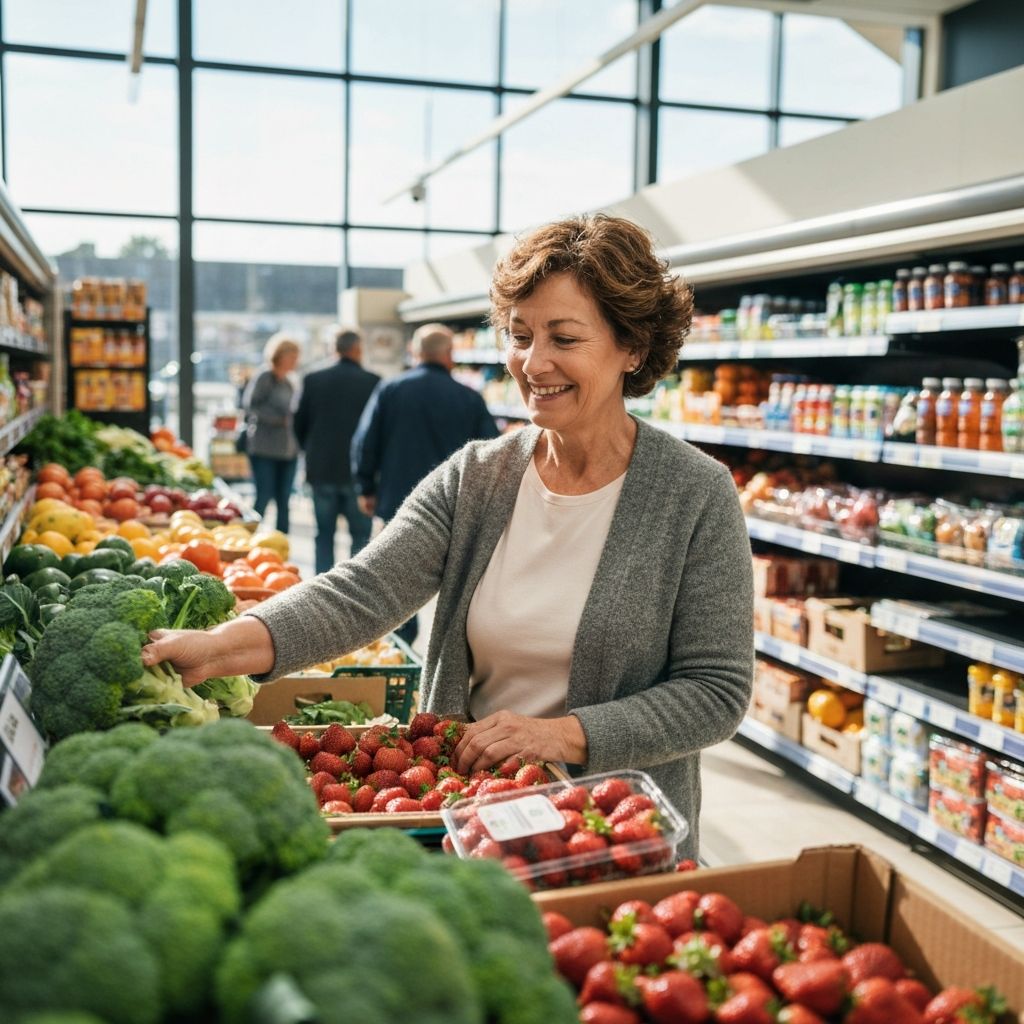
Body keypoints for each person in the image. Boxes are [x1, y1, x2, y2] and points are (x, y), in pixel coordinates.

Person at [143, 214, 754, 859]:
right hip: (469, 822)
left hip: (613, 838)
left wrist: (563, 735)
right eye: (520, 335)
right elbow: (361, 591)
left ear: (633, 348)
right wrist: (218, 647)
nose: (533, 362)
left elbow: (714, 689)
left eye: (565, 338)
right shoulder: (477, 478)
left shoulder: (695, 495)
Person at [351, 322, 499, 643]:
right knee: (456, 583)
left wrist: (366, 487)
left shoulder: (391, 390)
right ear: (450, 355)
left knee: (395, 583)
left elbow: (366, 442)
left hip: (397, 501)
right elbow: (493, 452)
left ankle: (401, 646)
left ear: (416, 353)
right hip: (457, 506)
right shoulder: (469, 398)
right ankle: (449, 651)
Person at [293, 327, 380, 573]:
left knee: (324, 534)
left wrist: (309, 452)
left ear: (334, 349)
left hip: (321, 469)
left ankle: (321, 586)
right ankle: (354, 590)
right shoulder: (372, 382)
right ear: (357, 349)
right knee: (360, 537)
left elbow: (298, 424)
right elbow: (376, 433)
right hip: (357, 473)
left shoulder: (312, 380)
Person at [242, 334, 300, 535]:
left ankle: (281, 543)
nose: (295, 361)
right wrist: (278, 419)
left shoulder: (289, 382)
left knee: (284, 499)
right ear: (280, 355)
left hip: (288, 450)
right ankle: (248, 538)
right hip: (265, 448)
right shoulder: (265, 377)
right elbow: (251, 407)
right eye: (292, 356)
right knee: (263, 496)